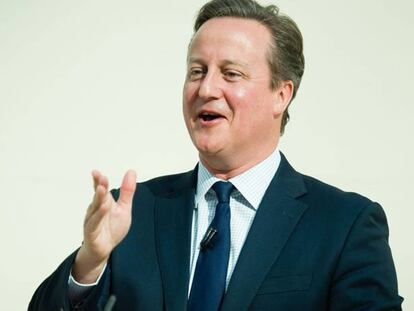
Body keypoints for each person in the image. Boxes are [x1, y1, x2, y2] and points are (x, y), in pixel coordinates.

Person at [29, 0, 403, 310]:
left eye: (231, 73)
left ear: (281, 94)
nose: (206, 88)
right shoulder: (131, 214)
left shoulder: (345, 225)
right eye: (196, 71)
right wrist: (91, 261)